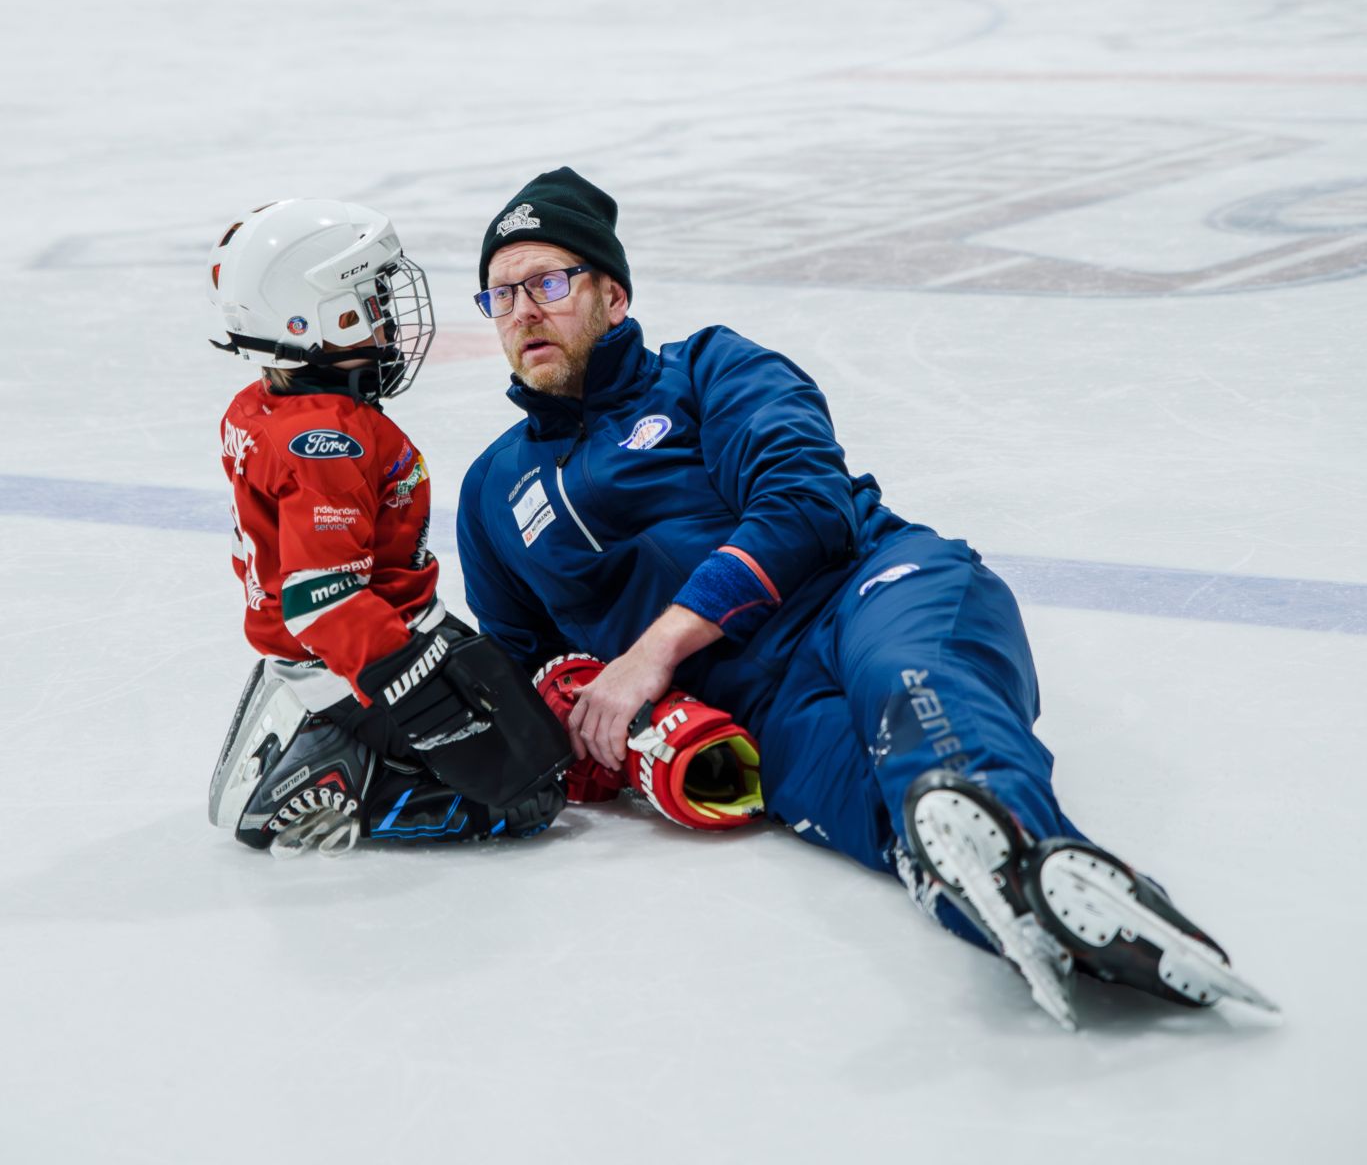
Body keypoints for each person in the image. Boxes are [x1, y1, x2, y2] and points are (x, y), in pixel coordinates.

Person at [455, 167, 1277, 1032]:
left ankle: (1052, 863)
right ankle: (1060, 913)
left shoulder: (710, 369)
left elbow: (804, 507)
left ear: (613, 295)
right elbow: (520, 668)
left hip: (870, 592)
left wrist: (650, 653)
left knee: (914, 697)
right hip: (760, 713)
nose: (524, 311)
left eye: (549, 282)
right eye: (501, 295)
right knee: (890, 825)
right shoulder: (491, 491)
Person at [205, 198, 569, 857]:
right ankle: (339, 771)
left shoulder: (263, 406)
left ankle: (330, 728)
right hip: (356, 658)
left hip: (363, 640)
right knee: (528, 796)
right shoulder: (326, 443)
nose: (388, 317)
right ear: (319, 317)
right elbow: (326, 599)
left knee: (537, 735)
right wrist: (419, 694)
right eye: (370, 301)